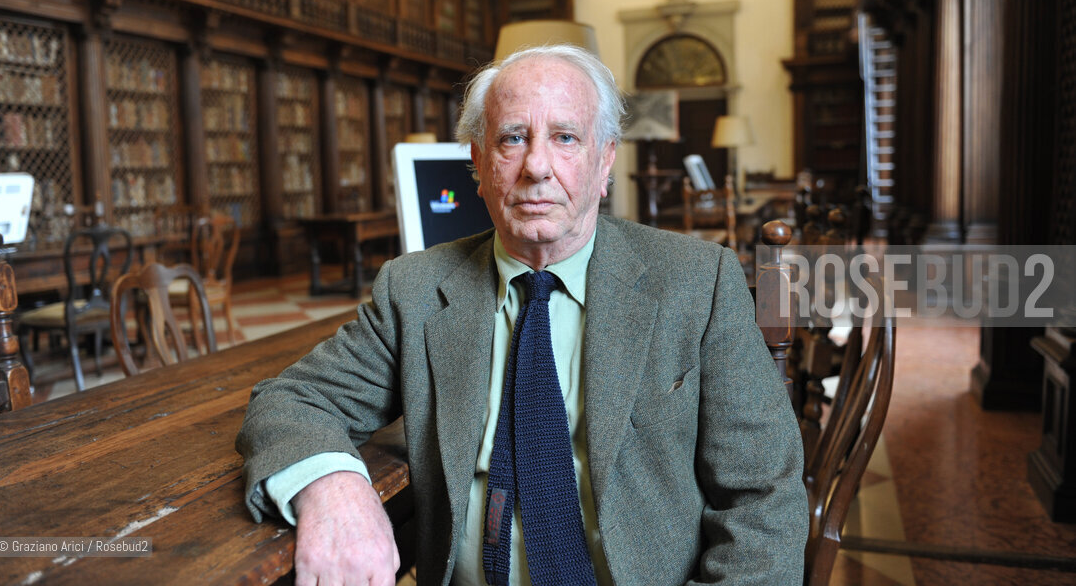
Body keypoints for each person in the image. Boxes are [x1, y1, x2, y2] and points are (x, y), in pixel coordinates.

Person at [237, 44, 806, 585]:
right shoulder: (413, 289)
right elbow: (289, 401)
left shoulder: (698, 282)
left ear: (604, 161)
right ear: (479, 163)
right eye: (513, 138)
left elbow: (765, 501)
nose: (537, 165)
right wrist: (333, 485)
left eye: (565, 137)